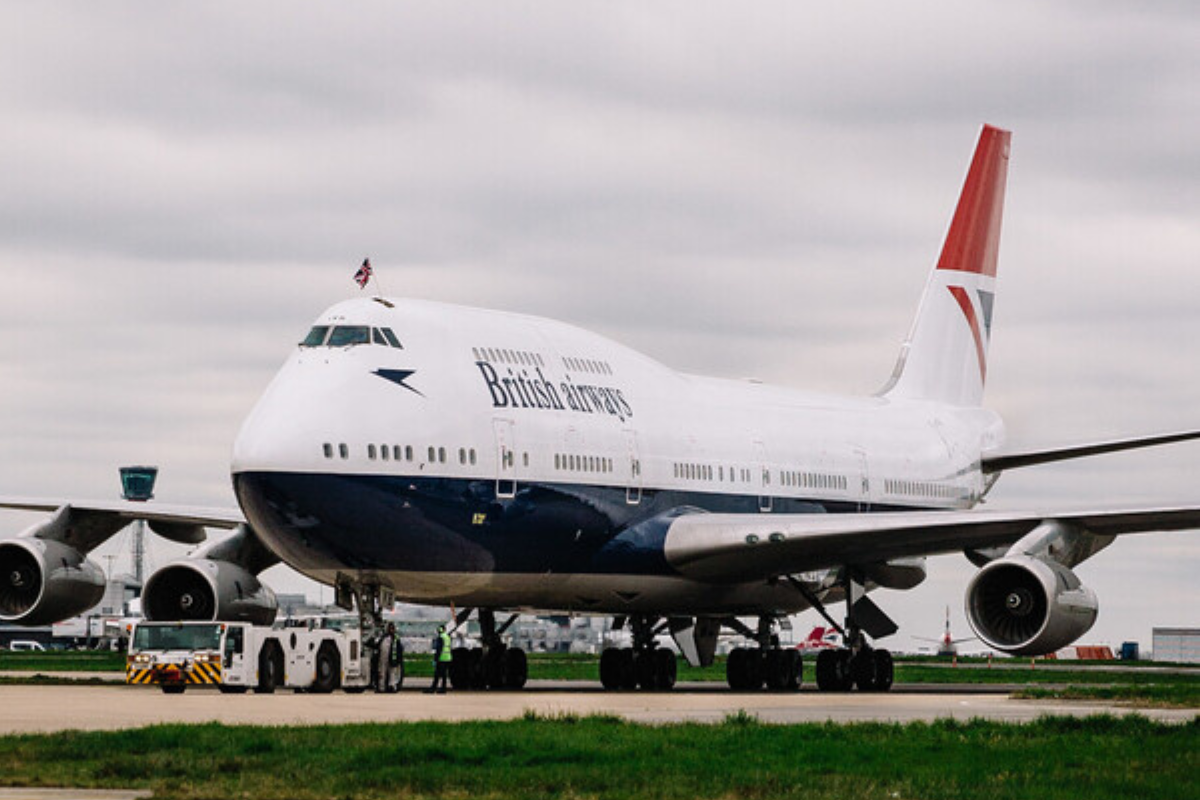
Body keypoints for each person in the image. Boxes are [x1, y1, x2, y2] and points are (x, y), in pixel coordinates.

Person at [426, 623, 452, 693]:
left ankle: (433, 688)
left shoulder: (441, 637)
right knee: (443, 675)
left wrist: (435, 659)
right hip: (447, 658)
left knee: (437, 674)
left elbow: (439, 649)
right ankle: (443, 688)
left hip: (441, 658)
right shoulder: (447, 637)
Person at [376, 622, 399, 693]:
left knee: (384, 671)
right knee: (390, 672)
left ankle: (384, 687)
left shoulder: (385, 638)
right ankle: (390, 687)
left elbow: (378, 646)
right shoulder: (395, 638)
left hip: (388, 657)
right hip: (391, 658)